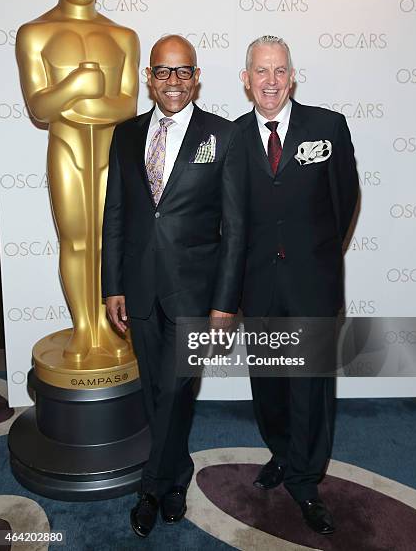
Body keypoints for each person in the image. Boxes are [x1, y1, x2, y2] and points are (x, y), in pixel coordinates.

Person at [102, 35, 247, 537]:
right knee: (160, 392)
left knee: (176, 386)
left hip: (196, 295)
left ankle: (150, 487)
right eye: (163, 72)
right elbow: (115, 214)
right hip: (138, 288)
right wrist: (112, 285)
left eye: (183, 72)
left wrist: (226, 303)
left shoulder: (224, 136)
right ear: (149, 76)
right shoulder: (125, 134)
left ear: (197, 77)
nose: (173, 81)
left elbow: (235, 230)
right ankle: (178, 476)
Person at [237, 35, 359, 534]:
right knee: (268, 386)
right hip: (257, 287)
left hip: (311, 283)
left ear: (293, 76)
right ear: (246, 80)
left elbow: (344, 202)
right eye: (261, 71)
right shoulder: (231, 137)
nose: (271, 81)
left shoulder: (327, 127)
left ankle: (307, 482)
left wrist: (322, 262)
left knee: (310, 388)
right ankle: (283, 453)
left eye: (280, 71)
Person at [16, 0, 139, 363]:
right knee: (75, 241)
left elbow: (127, 106)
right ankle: (84, 329)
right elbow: (38, 105)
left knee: (109, 242)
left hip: (111, 153)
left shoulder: (122, 36)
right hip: (66, 148)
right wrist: (76, 86)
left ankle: (106, 326)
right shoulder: (35, 33)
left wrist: (71, 100)